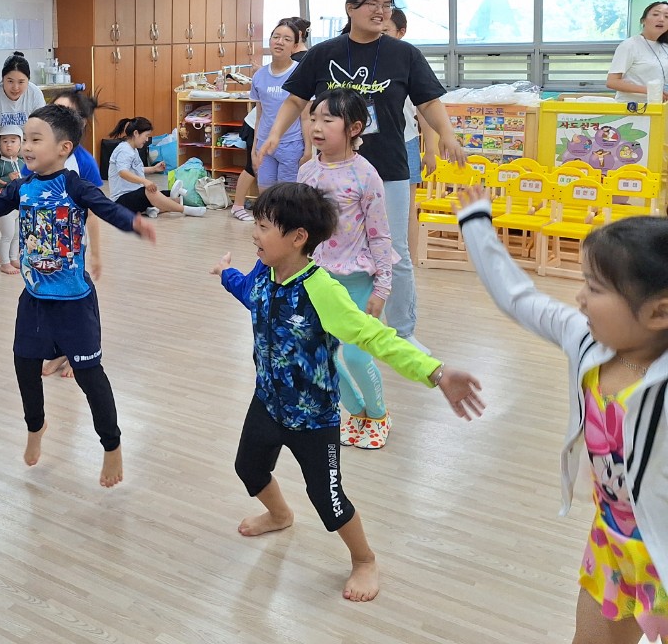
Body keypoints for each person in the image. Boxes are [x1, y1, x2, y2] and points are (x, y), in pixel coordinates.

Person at [212, 182, 483, 602]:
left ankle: (364, 559)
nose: (254, 234)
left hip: (314, 419)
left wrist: (435, 371)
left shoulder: (322, 290)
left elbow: (374, 336)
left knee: (329, 500)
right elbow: (249, 294)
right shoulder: (264, 272)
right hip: (266, 403)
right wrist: (226, 274)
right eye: (257, 224)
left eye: (264, 227)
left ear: (298, 237)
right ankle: (280, 514)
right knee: (248, 469)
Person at [0, 104, 157, 487]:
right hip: (34, 301)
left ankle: (112, 445)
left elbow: (106, 209)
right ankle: (36, 427)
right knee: (25, 368)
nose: (26, 147)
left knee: (90, 377)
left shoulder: (75, 186)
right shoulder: (22, 188)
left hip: (74, 303)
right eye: (26, 139)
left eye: (36, 139)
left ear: (64, 148)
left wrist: (133, 223)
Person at [456, 186, 668, 642]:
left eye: (595, 288)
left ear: (659, 312)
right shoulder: (587, 341)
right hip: (612, 542)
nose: (579, 297)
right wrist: (475, 222)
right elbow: (519, 298)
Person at [254, 0, 465, 348]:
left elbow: (429, 102)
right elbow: (295, 100)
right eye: (372, 3)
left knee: (393, 251)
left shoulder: (404, 54)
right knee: (321, 246)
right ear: (350, 8)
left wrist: (446, 134)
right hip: (330, 170)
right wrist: (273, 134)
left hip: (388, 167)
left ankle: (403, 332)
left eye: (387, 4)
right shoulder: (324, 53)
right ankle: (327, 321)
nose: (381, 11)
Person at [298, 89, 397, 449]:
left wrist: (382, 288)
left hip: (358, 281)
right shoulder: (306, 171)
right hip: (318, 280)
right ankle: (355, 412)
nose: (317, 127)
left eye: (328, 120)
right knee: (319, 355)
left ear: (354, 128)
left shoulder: (366, 175)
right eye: (313, 118)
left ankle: (379, 415)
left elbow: (380, 234)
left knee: (355, 354)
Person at [43, 89, 116, 378]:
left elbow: (94, 211)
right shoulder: (39, 154)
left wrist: (96, 253)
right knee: (50, 300)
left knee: (76, 303)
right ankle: (60, 351)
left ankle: (81, 353)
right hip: (45, 246)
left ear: (80, 123)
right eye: (54, 110)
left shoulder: (83, 161)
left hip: (73, 248)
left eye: (65, 112)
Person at [236, 17, 312, 221]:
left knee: (287, 198)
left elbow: (306, 116)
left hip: (291, 145)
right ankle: (269, 233)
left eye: (286, 39)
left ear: (295, 46)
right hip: (265, 146)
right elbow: (259, 115)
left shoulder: (300, 73)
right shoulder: (259, 75)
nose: (280, 42)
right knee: (266, 196)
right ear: (269, 41)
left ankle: (285, 234)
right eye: (276, 37)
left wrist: (308, 150)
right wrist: (255, 148)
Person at [380, 8, 437, 258]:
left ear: (401, 32)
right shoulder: (367, 61)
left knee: (406, 209)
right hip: (369, 143)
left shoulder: (409, 61)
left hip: (405, 143)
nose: (380, 35)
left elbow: (426, 110)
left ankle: (408, 262)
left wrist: (431, 150)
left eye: (386, 30)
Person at [108, 117, 207, 218]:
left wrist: (153, 169)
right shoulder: (124, 150)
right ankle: (185, 210)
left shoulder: (133, 149)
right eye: (146, 136)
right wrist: (145, 181)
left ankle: (152, 209)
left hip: (134, 195)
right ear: (136, 133)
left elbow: (135, 170)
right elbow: (123, 172)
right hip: (120, 201)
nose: (147, 140)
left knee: (171, 195)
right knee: (150, 192)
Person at [0, 51, 46, 185]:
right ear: (2, 79)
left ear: (28, 80)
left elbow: (41, 132)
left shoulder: (35, 94)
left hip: (25, 147)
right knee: (1, 188)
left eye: (21, 82)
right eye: (10, 81)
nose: (15, 87)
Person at [607, 2, 668, 102]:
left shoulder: (665, 47)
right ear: (643, 20)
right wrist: (650, 91)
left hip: (658, 107)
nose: (661, 19)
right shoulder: (629, 45)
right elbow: (612, 82)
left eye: (667, 17)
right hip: (632, 107)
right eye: (655, 14)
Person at [0, 125, 27, 274]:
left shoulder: (22, 163)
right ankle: (4, 263)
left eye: (13, 141)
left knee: (16, 235)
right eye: (5, 141)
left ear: (20, 144)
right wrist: (8, 178)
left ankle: (13, 258)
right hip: (4, 206)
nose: (9, 145)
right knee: (7, 235)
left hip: (19, 206)